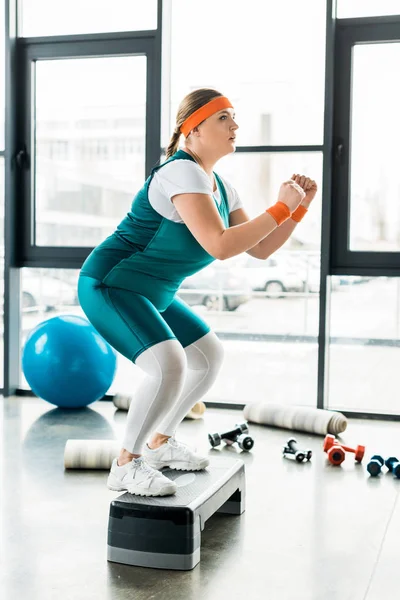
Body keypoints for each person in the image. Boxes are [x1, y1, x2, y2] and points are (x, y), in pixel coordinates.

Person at [78, 88, 318, 497]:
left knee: (207, 357)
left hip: (154, 292)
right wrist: (278, 208)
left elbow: (258, 248)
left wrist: (295, 211)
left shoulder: (221, 186)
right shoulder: (180, 171)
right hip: (112, 283)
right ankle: (126, 464)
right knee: (168, 363)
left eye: (234, 117)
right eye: (224, 117)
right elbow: (220, 244)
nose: (235, 125)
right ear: (193, 128)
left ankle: (158, 443)